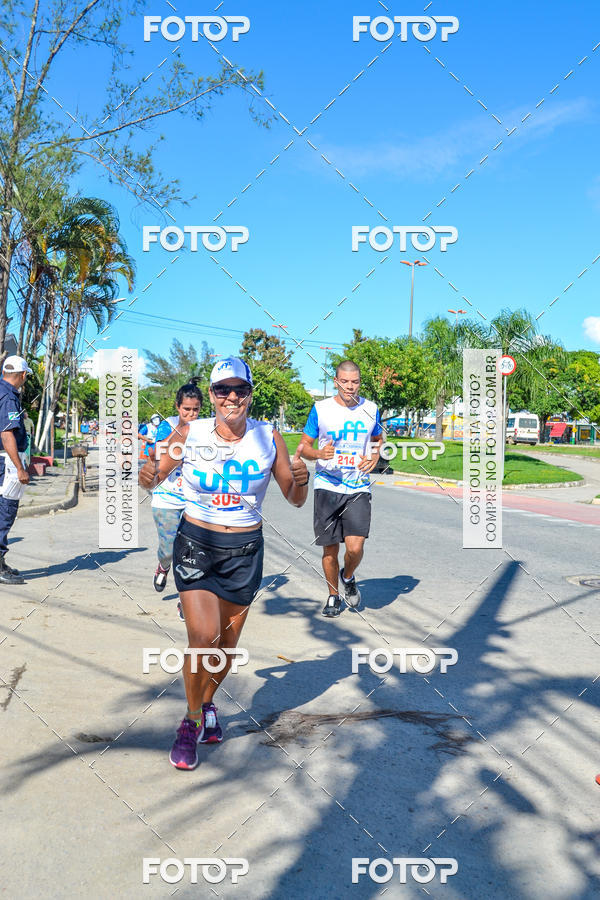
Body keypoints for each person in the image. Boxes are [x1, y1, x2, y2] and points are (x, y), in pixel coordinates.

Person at [139, 356, 309, 771]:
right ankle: (190, 720)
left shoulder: (269, 436)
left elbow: (295, 497)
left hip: (245, 550)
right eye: (222, 390)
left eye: (240, 390)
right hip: (197, 542)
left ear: (250, 394)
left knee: (226, 649)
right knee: (204, 638)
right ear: (212, 396)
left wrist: (301, 481)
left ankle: (209, 702)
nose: (232, 397)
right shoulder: (190, 431)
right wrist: (147, 474)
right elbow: (157, 474)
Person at [298, 360, 383, 617]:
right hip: (327, 486)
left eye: (355, 382)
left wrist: (375, 456)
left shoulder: (370, 408)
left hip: (358, 485)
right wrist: (318, 453)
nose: (350, 387)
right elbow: (304, 447)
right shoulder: (321, 409)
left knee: (355, 548)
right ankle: (333, 595)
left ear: (359, 382)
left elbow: (378, 438)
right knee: (330, 548)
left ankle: (348, 577)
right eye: (345, 382)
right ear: (336, 382)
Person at [151, 380, 202, 592]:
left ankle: (187, 598)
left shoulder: (206, 428)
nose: (191, 414)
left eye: (196, 410)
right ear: (177, 407)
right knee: (169, 549)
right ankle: (163, 566)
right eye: (186, 409)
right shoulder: (167, 425)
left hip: (194, 501)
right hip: (167, 499)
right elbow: (158, 455)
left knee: (193, 554)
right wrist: (181, 431)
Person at [0, 355, 32, 585]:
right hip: (7, 462)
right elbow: (6, 433)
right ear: (22, 375)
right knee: (6, 510)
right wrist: (19, 468)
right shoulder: (8, 397)